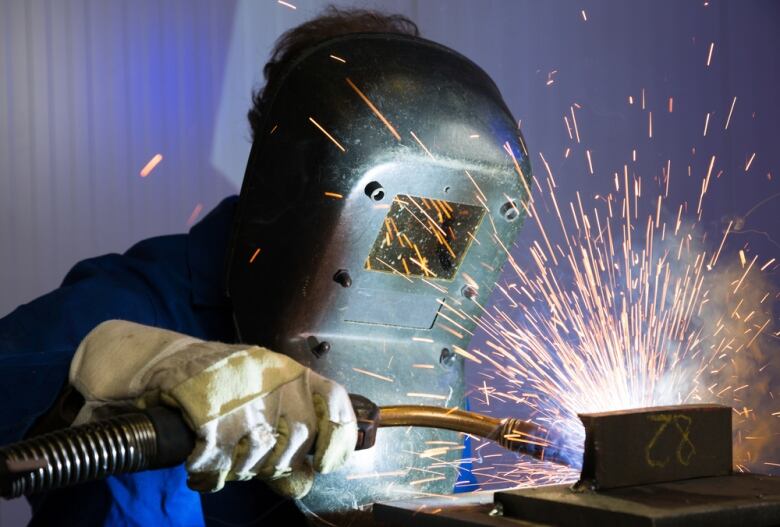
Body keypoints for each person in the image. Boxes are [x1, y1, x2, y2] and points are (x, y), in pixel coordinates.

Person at [1, 5, 533, 526]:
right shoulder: (135, 307)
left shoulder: (423, 366)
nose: (410, 241)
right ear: (292, 167)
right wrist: (103, 373)